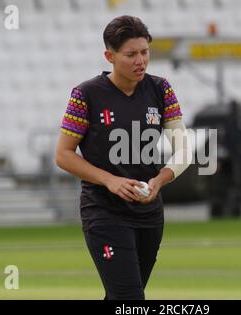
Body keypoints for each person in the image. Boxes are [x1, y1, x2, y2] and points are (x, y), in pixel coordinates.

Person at [55, 15, 192, 300]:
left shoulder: (161, 89)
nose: (140, 60)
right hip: (104, 211)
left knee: (123, 297)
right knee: (130, 299)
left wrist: (159, 180)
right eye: (131, 54)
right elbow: (63, 156)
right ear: (110, 56)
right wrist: (110, 181)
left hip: (149, 211)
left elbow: (184, 150)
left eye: (145, 52)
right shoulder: (85, 95)